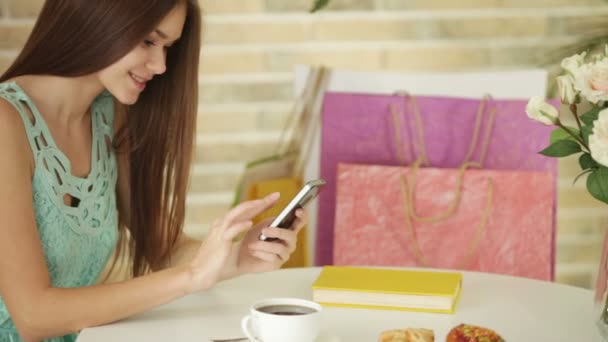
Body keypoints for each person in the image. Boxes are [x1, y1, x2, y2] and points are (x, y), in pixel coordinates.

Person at [0, 1, 307, 341]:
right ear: (96, 16)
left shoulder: (107, 116)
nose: (160, 65)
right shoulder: (5, 123)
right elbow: (33, 315)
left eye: (167, 47)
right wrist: (191, 276)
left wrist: (238, 256)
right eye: (148, 41)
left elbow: (163, 246)